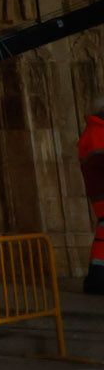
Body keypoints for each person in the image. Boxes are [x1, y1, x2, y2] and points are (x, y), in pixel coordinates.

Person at [81, 101, 104, 296]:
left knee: (101, 239)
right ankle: (96, 280)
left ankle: (96, 279)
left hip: (99, 194)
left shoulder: (93, 131)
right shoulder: (97, 132)